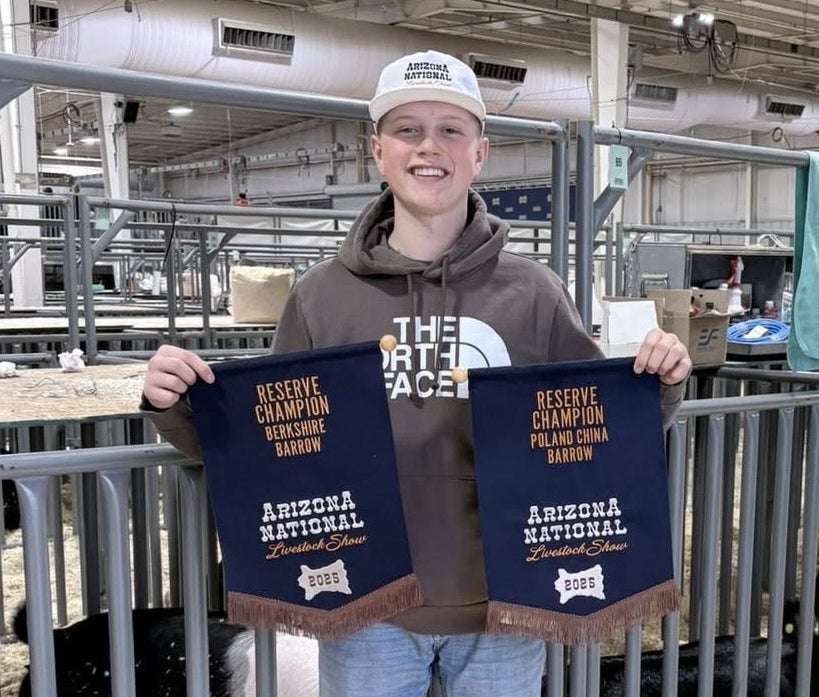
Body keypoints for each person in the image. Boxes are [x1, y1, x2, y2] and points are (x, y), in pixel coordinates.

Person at [142, 49, 692, 697]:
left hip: (504, 602)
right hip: (368, 601)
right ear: (378, 151)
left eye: (450, 129)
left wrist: (659, 380)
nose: (429, 147)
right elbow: (279, 443)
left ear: (479, 153)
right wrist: (176, 403)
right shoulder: (321, 296)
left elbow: (589, 430)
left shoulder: (534, 292)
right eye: (408, 129)